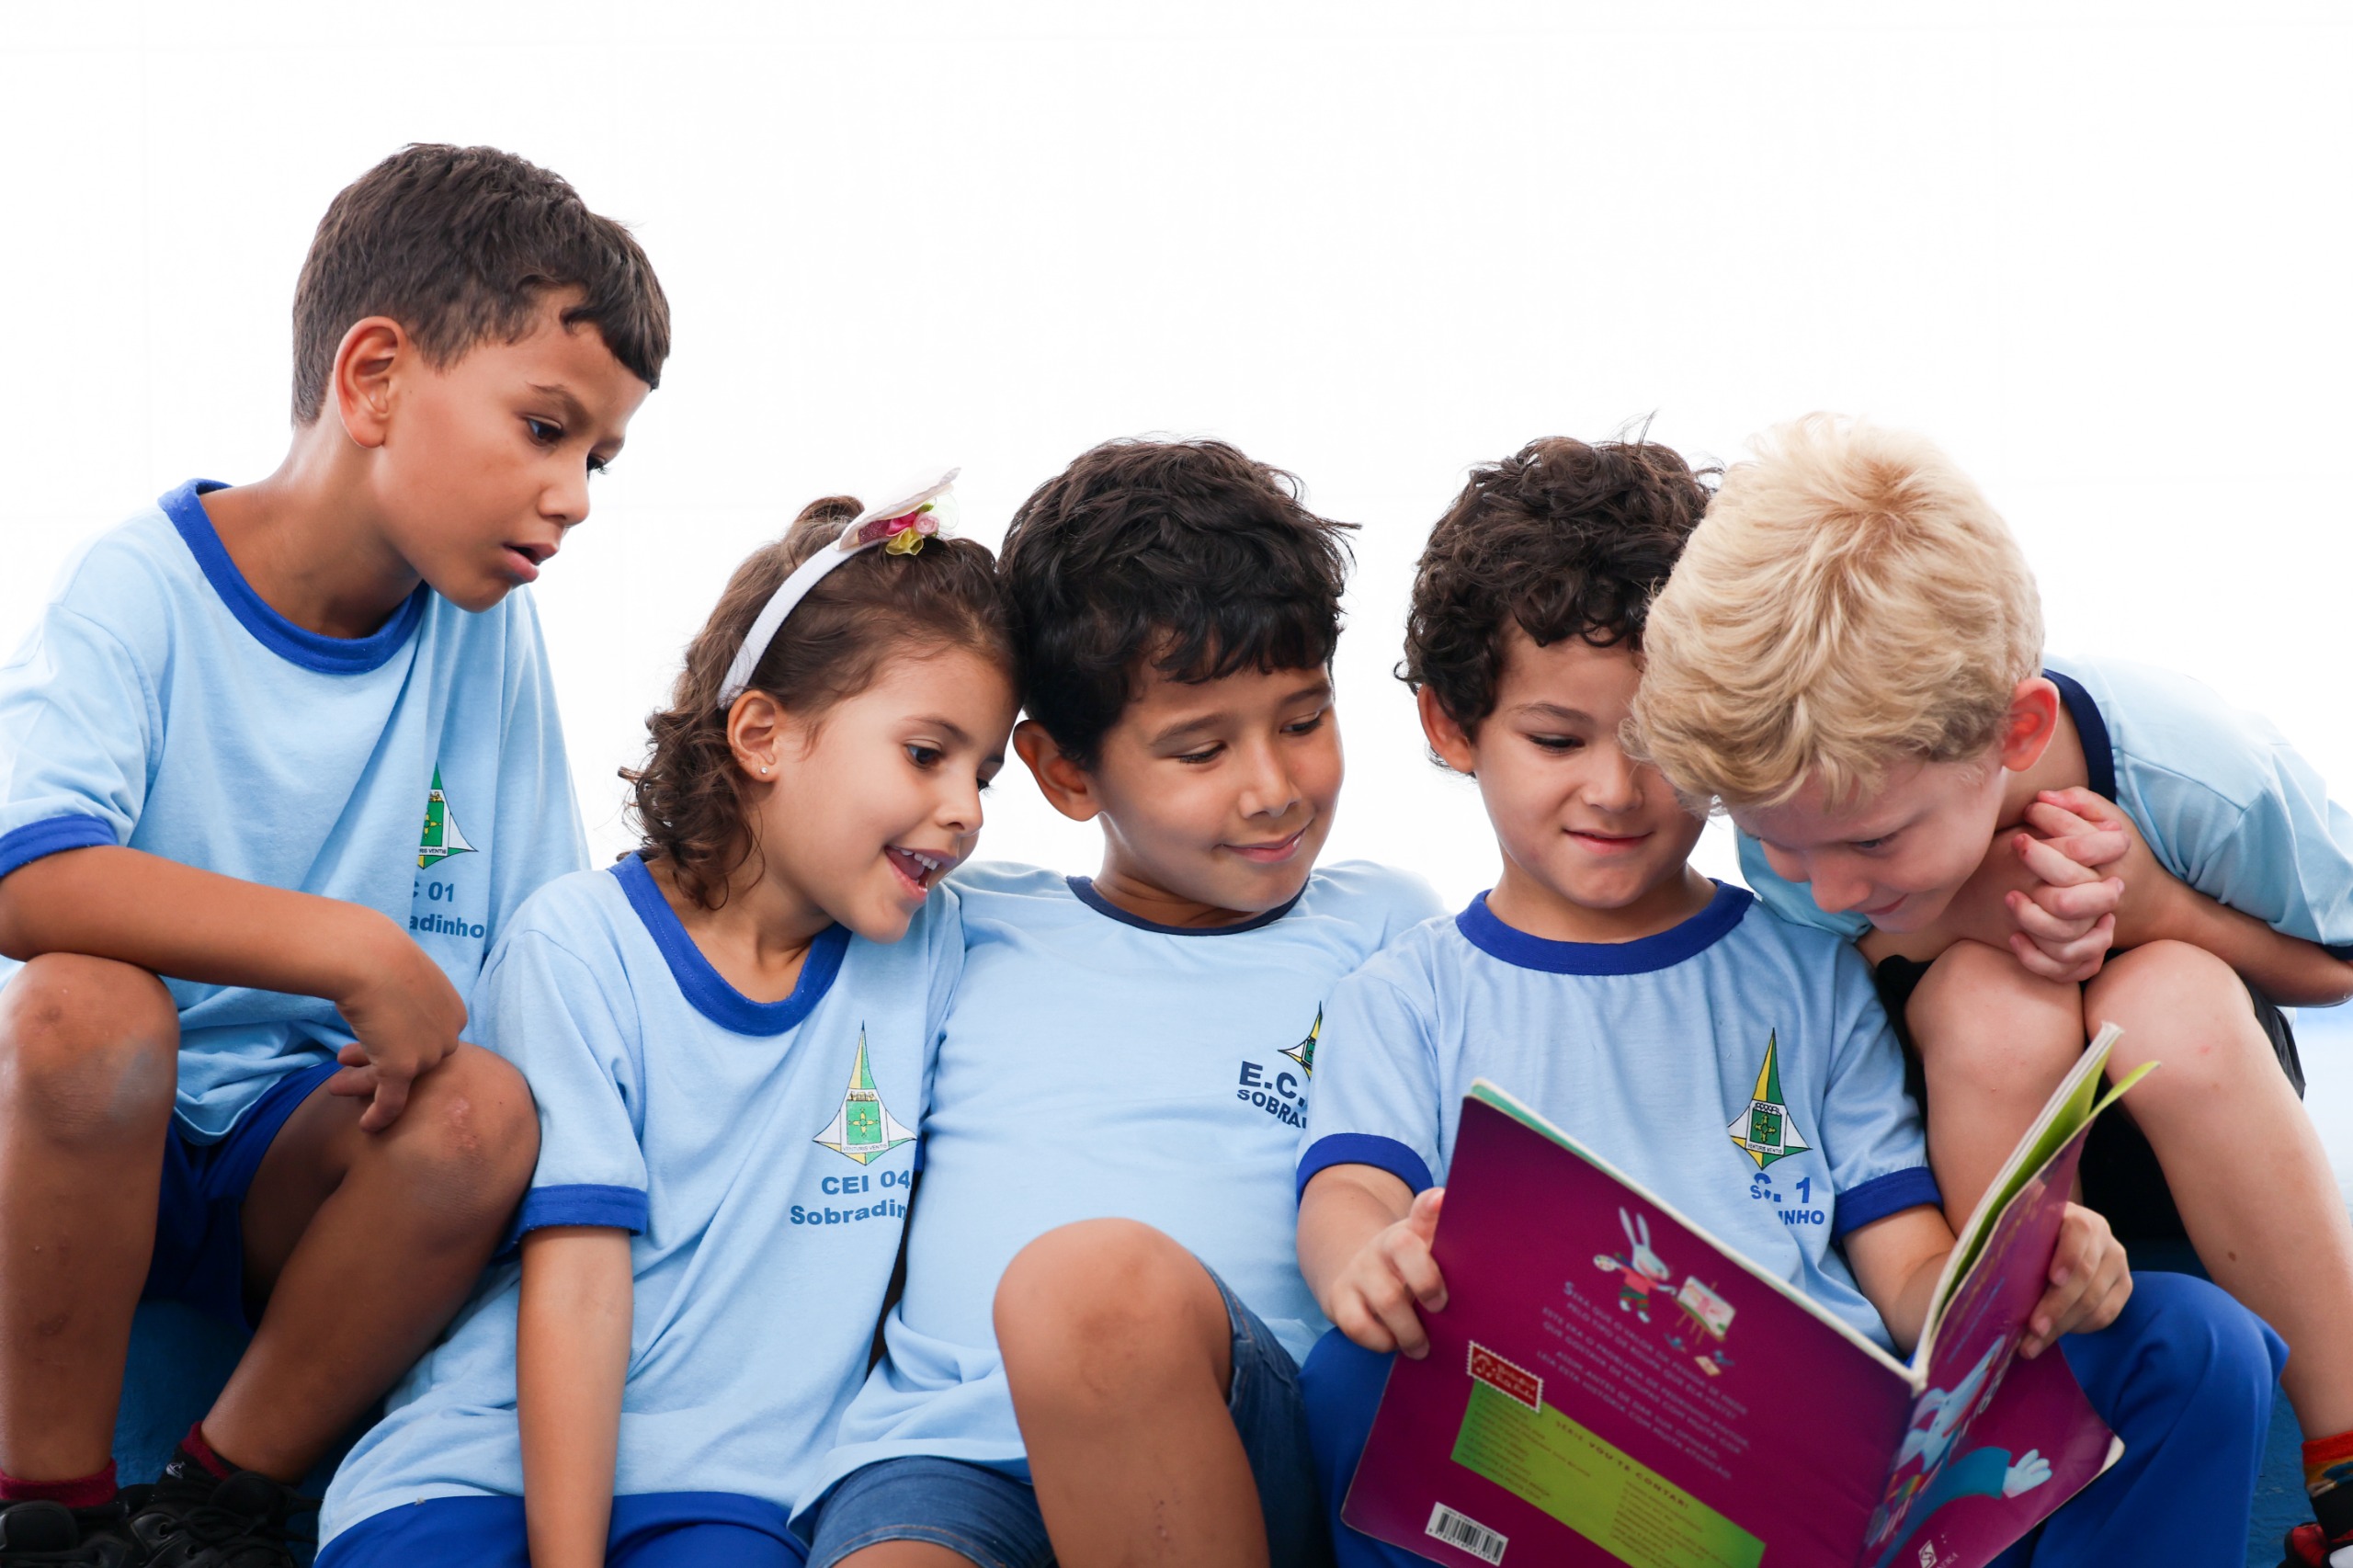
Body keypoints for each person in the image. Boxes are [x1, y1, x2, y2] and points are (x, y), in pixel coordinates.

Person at [1296, 436, 2284, 1567]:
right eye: (1557, 739)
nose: (1615, 789)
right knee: (1354, 1368)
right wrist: (1365, 1257)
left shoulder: (1805, 967)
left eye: (1653, 745)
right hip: (1568, 1487)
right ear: (1450, 727)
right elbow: (1350, 1189)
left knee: (2193, 1337)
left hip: (1840, 1493)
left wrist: (2034, 1274)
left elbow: (1905, 1263)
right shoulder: (1407, 993)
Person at [0, 143, 666, 1568]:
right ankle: (44, 1511)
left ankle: (214, 1502)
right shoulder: (139, 584)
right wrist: (352, 947)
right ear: (374, 380)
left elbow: (539, 938)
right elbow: (27, 877)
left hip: (301, 1157)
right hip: (83, 1135)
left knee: (483, 1108)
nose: (574, 496)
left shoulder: (488, 635)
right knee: (85, 1006)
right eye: (545, 428)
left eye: (597, 459)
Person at [1632, 415, 2353, 1568]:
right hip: (1951, 1164)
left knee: (2165, 992)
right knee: (1990, 996)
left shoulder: (2189, 767)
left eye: (1872, 841)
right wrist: (1949, 918)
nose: (1826, 885)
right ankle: (2002, 1422)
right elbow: (1817, 1004)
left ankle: (2346, 1460)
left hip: (2187, 1125)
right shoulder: (1798, 797)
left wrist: (2157, 906)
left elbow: (2337, 960)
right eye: (1781, 846)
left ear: (2016, 731)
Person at [316, 480, 1020, 1567]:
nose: (966, 808)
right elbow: (579, 1284)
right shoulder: (575, 945)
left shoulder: (942, 948)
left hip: (739, 1494)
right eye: (927, 754)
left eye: (986, 772)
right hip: (482, 1466)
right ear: (763, 734)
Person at [799, 439, 1440, 1568]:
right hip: (951, 1454)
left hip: (1237, 1443)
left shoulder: (1385, 929)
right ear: (1064, 771)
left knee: (1088, 1286)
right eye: (1200, 749)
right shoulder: (954, 928)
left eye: (1302, 720)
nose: (1272, 788)